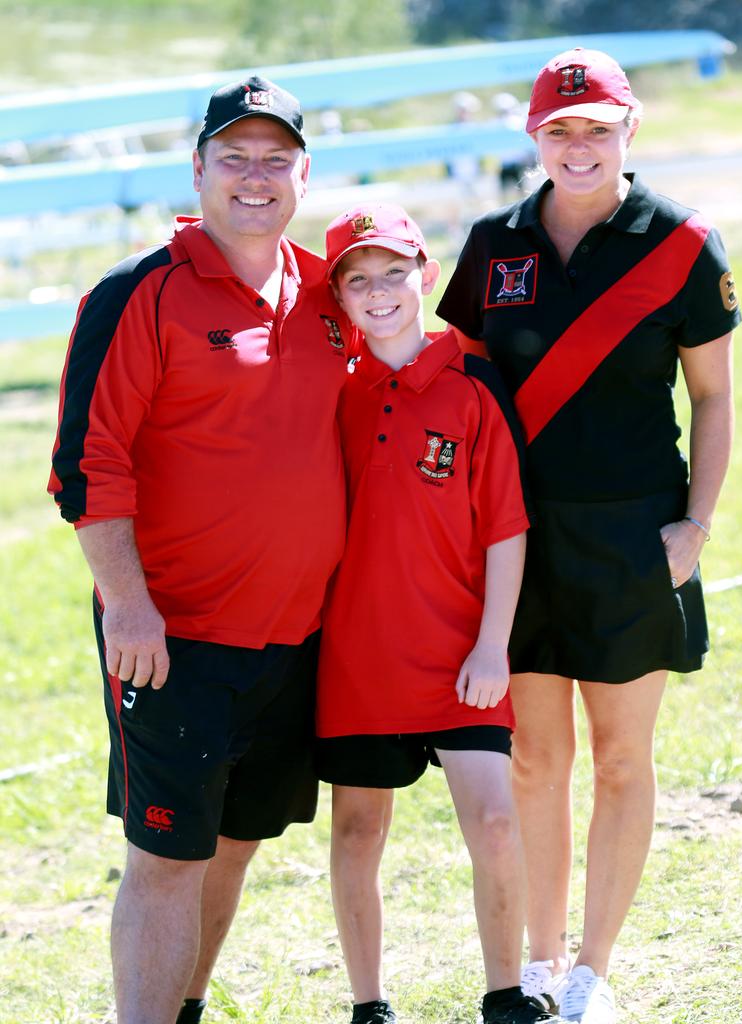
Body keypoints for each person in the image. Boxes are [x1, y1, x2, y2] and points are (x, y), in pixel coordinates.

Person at [437, 47, 740, 1024]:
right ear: (535, 137)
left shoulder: (685, 246)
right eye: (560, 129)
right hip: (515, 548)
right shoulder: (492, 244)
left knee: (620, 759)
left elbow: (716, 397)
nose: (579, 146)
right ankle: (537, 960)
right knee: (535, 759)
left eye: (597, 128)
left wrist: (695, 524)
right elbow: (464, 396)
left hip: (635, 541)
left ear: (630, 131)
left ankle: (592, 974)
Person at [47, 74, 356, 1024]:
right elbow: (83, 464)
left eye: (276, 160)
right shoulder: (141, 292)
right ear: (200, 168)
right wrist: (128, 606)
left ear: (303, 173)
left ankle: (181, 1008)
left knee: (234, 842)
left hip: (294, 634)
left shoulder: (323, 294)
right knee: (168, 855)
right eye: (235, 158)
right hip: (172, 635)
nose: (255, 178)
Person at [315, 203, 561, 1024]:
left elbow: (506, 526)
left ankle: (504, 994)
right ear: (339, 298)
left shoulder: (470, 382)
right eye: (358, 280)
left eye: (395, 273)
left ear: (425, 275)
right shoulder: (333, 392)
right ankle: (369, 1004)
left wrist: (493, 644)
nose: (379, 292)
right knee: (356, 834)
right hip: (358, 655)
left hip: (462, 651)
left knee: (493, 821)